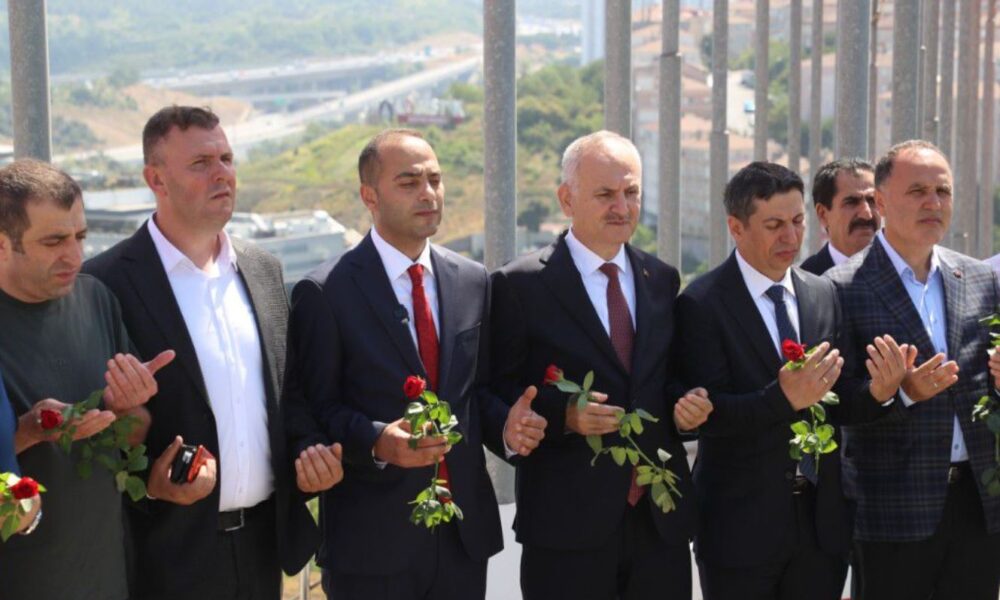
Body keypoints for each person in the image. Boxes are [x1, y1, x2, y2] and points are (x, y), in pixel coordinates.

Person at [282, 127, 547, 600]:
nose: (428, 193)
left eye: (435, 180)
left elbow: (475, 394)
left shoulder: (472, 280)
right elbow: (314, 410)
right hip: (372, 545)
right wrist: (378, 441)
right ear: (369, 196)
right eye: (408, 182)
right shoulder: (325, 292)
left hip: (462, 539)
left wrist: (508, 427)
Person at [84, 106, 322, 600]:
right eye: (201, 163)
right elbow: (88, 424)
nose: (222, 174)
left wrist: (311, 453)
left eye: (227, 159)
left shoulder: (263, 269)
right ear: (156, 179)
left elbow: (289, 392)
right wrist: (150, 479)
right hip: (164, 555)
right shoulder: (104, 283)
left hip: (263, 550)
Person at [490, 130, 711, 600]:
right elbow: (494, 394)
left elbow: (669, 381)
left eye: (632, 192)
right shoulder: (519, 285)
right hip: (567, 530)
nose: (622, 207)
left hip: (659, 523)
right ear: (566, 199)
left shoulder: (661, 279)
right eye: (605, 194)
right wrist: (562, 418)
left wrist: (687, 407)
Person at [828, 139, 1000, 599]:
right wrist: (898, 393)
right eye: (918, 191)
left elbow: (986, 386)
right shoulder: (841, 288)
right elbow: (834, 405)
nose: (933, 203)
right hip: (893, 514)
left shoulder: (981, 278)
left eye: (942, 191)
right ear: (881, 202)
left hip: (977, 506)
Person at [676, 162, 853, 600]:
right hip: (740, 531)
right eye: (774, 225)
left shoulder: (823, 293)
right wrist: (782, 398)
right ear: (736, 227)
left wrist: (891, 393)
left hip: (820, 529)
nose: (791, 237)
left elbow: (840, 400)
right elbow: (710, 415)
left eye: (798, 222)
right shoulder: (701, 303)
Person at [0, 159, 169, 598]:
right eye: (53, 241)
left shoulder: (96, 300)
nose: (74, 256)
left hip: (104, 577)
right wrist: (30, 430)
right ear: (2, 245)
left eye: (80, 237)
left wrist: (126, 407)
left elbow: (132, 438)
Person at [800, 159, 879, 275]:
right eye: (852, 202)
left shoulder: (901, 273)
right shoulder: (805, 281)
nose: (867, 214)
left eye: (872, 201)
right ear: (823, 214)